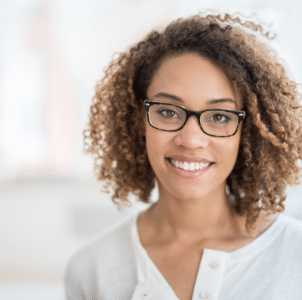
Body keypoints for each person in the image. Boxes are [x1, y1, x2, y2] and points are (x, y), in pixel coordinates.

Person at [64, 13, 302, 300]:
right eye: (167, 112)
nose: (190, 140)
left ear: (247, 131)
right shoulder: (92, 269)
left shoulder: (293, 253)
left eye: (219, 116)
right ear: (139, 119)